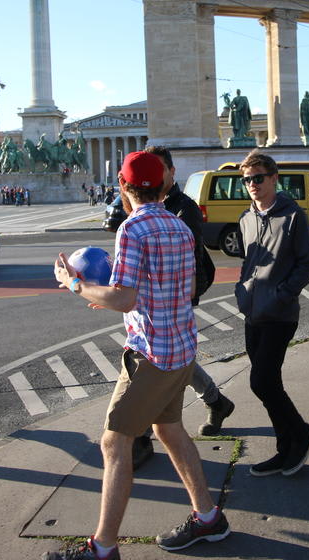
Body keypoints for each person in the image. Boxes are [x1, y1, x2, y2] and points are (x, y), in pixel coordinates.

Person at [49, 152, 230, 560]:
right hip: (182, 348)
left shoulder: (132, 228)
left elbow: (124, 295)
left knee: (115, 444)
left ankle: (103, 549)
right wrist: (122, 302)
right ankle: (208, 518)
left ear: (122, 185)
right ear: (164, 186)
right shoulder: (180, 227)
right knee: (170, 431)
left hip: (152, 356)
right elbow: (177, 291)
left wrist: (75, 285)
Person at [104, 145, 234, 464]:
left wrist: (79, 285)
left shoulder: (176, 211)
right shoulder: (157, 216)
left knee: (116, 439)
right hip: (169, 315)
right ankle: (214, 401)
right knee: (172, 411)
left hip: (165, 315)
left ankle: (140, 440)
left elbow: (172, 269)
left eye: (158, 167)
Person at [235, 151, 309, 477]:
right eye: (246, 180)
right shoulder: (246, 218)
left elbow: (307, 264)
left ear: (273, 179)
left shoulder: (294, 217)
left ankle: (300, 434)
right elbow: (247, 262)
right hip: (253, 311)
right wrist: (242, 291)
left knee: (263, 380)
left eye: (257, 178)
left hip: (281, 315)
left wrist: (282, 295)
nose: (252, 185)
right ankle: (287, 446)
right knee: (267, 383)